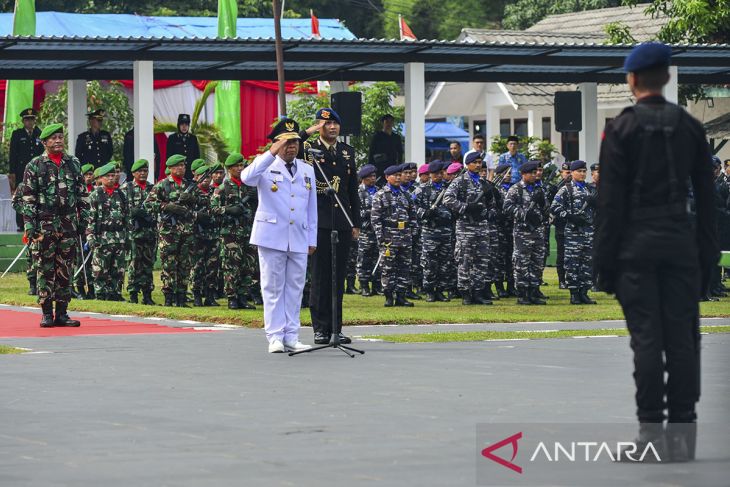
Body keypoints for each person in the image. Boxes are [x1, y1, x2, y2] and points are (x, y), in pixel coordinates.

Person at [595, 42, 719, 462]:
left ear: (631, 81)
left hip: (636, 246)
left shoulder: (621, 128)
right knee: (683, 340)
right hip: (681, 243)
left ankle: (650, 434)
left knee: (647, 341)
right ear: (666, 78)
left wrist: (603, 262)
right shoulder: (689, 127)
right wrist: (707, 258)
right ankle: (683, 435)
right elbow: (707, 200)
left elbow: (609, 203)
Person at [242, 118, 317, 353]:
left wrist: (312, 238)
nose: (291, 146)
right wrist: (269, 153)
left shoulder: (307, 170)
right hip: (271, 235)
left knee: (295, 288)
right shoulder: (266, 166)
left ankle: (292, 335)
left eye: (294, 141)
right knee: (273, 287)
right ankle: (274, 336)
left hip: (298, 236)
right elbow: (246, 178)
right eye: (286, 142)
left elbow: (311, 207)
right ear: (276, 144)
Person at [20, 123, 88, 327]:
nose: (58, 140)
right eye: (53, 138)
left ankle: (62, 313)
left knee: (65, 268)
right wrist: (30, 226)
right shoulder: (35, 165)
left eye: (60, 137)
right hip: (45, 224)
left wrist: (83, 220)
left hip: (68, 223)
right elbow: (28, 198)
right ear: (44, 142)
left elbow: (82, 193)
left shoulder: (73, 163)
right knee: (45, 268)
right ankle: (46, 313)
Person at [303, 108, 361, 345]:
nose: (332, 128)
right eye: (327, 124)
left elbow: (352, 191)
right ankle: (320, 327)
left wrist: (355, 222)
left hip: (343, 222)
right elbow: (290, 139)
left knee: (338, 277)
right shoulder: (307, 151)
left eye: (335, 123)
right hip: (318, 221)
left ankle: (336, 328)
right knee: (320, 276)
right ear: (319, 126)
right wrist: (307, 132)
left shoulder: (347, 152)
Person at [144, 154, 197, 307]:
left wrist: (192, 199)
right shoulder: (163, 185)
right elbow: (148, 204)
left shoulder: (189, 185)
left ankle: (181, 296)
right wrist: (166, 206)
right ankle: (169, 296)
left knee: (184, 264)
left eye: (183, 165)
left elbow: (201, 202)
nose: (181, 168)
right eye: (177, 166)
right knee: (169, 264)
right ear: (171, 168)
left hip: (186, 230)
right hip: (169, 232)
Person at [443, 151, 493, 305]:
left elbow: (490, 204)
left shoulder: (483, 182)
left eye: (480, 162)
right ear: (468, 164)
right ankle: (465, 293)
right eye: (475, 162)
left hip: (482, 226)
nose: (478, 165)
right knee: (465, 259)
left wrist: (488, 207)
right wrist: (465, 207)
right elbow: (447, 199)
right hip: (466, 227)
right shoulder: (460, 181)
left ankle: (478, 292)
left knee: (481, 260)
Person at [211, 153, 257, 310]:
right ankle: (232, 297)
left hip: (248, 231)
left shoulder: (248, 186)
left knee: (247, 265)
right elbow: (213, 209)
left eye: (241, 166)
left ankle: (243, 296)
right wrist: (229, 210)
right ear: (229, 169)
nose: (240, 168)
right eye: (236, 166)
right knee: (232, 266)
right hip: (230, 233)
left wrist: (255, 197)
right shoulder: (223, 188)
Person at [550, 160, 597, 304]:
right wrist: (570, 217)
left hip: (588, 232)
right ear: (572, 173)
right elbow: (555, 207)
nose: (582, 174)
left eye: (584, 171)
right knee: (572, 263)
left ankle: (584, 292)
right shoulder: (566, 189)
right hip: (573, 233)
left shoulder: (590, 189)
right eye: (579, 171)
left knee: (587, 263)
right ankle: (574, 293)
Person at [371, 164, 416, 307]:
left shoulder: (406, 195)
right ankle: (389, 296)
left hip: (405, 236)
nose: (398, 178)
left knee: (404, 267)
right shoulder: (381, 195)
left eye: (399, 175)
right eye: (395, 175)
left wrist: (413, 232)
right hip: (389, 237)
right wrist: (381, 237)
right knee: (388, 268)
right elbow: (375, 219)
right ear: (386, 177)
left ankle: (401, 296)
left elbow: (413, 215)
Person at [504, 161, 547, 305]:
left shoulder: (538, 189)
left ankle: (534, 291)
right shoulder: (516, 189)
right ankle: (522, 294)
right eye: (532, 173)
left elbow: (546, 209)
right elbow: (507, 207)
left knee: (537, 263)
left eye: (536, 173)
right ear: (523, 174)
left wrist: (542, 205)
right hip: (523, 233)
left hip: (538, 231)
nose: (535, 175)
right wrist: (524, 214)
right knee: (522, 263)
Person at [87, 163, 129, 301]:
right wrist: (91, 237)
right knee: (101, 269)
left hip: (119, 238)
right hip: (102, 238)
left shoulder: (121, 195)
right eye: (108, 176)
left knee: (118, 268)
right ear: (101, 178)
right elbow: (90, 219)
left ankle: (115, 293)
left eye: (113, 175)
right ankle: (100, 293)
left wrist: (128, 237)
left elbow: (127, 218)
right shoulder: (96, 195)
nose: (111, 178)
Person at [414, 160, 453, 302]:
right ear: (430, 174)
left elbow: (454, 206)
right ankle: (429, 290)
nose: (438, 176)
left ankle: (441, 290)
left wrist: (445, 214)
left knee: (444, 263)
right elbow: (412, 207)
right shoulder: (422, 189)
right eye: (435, 173)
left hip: (445, 230)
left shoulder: (449, 189)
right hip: (430, 231)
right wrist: (425, 213)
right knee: (430, 262)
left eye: (440, 173)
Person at [121, 159, 157, 305]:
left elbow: (158, 206)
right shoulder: (126, 188)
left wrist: (149, 216)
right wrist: (133, 213)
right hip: (134, 233)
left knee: (148, 263)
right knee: (134, 264)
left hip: (149, 232)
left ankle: (147, 294)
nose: (143, 174)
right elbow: (121, 209)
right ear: (133, 173)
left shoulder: (153, 188)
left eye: (145, 171)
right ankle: (133, 294)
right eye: (139, 171)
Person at [9, 108, 44, 232]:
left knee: (38, 196)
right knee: (22, 196)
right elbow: (12, 154)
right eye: (27, 119)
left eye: (32, 119)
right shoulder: (17, 134)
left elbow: (43, 153)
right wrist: (12, 172)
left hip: (37, 172)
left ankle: (37, 222)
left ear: (35, 120)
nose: (30, 122)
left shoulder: (40, 133)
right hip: (21, 172)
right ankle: (21, 223)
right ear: (23, 121)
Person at [356, 164, 380, 297]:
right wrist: (371, 212)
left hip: (378, 231)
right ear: (364, 178)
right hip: (365, 231)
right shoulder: (358, 192)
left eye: (374, 176)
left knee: (377, 258)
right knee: (364, 258)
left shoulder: (379, 191)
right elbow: (356, 212)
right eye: (370, 176)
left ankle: (377, 285)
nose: (373, 178)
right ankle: (364, 285)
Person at [166, 114, 201, 181]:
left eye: (186, 125)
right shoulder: (172, 138)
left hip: (190, 173)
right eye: (182, 124)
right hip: (177, 171)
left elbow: (196, 156)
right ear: (178, 125)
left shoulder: (193, 138)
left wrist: (196, 171)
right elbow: (169, 156)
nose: (184, 127)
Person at [368, 113, 404, 179]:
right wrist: (371, 167)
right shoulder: (377, 136)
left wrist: (399, 166)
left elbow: (400, 153)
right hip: (379, 167)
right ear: (383, 123)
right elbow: (371, 152)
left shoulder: (396, 137)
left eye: (391, 122)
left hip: (392, 166)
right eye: (387, 122)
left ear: (393, 124)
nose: (389, 124)